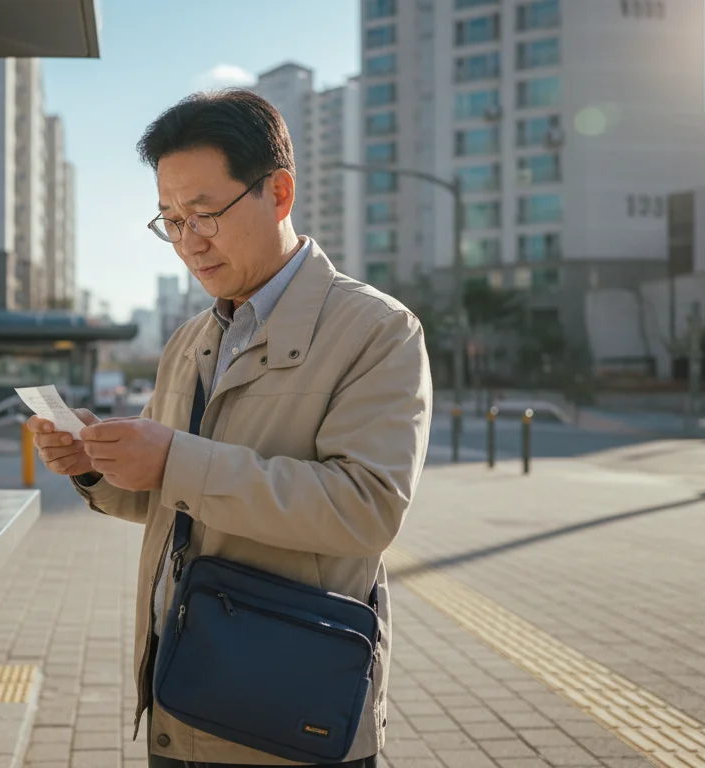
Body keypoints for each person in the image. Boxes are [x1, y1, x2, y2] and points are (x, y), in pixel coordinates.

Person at [27, 89, 432, 767]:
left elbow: (368, 509)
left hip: (291, 706)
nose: (188, 241)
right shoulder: (190, 339)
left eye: (205, 213)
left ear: (278, 192)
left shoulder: (378, 330)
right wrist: (94, 463)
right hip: (181, 692)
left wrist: (175, 461)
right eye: (171, 220)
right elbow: (170, 497)